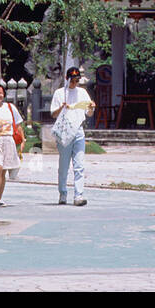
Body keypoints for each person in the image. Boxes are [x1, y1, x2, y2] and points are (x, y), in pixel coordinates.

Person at [51, 66, 94, 206]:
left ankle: (78, 195)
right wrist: (61, 107)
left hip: (78, 130)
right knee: (64, 165)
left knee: (79, 164)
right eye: (72, 80)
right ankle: (62, 193)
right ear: (66, 78)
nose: (74, 83)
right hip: (64, 131)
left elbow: (89, 113)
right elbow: (53, 114)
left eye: (76, 80)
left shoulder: (82, 92)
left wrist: (92, 107)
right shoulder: (59, 93)